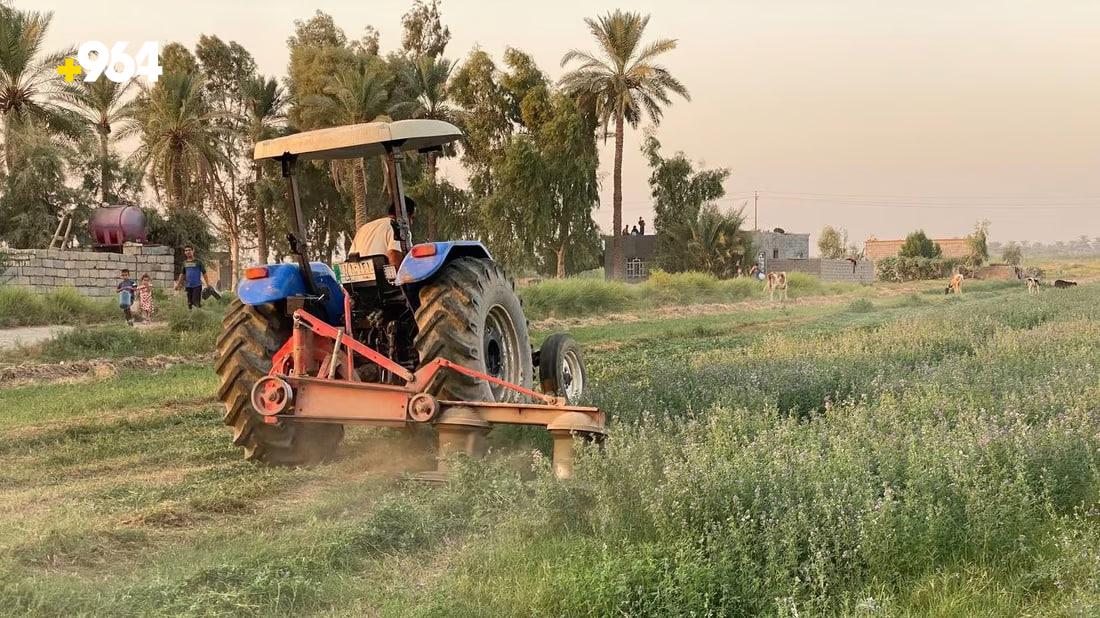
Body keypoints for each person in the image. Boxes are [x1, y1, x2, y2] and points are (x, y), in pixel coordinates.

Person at [350, 196, 416, 268]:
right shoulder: (398, 227)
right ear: (405, 215)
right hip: (383, 277)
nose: (411, 222)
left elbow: (351, 257)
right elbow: (394, 254)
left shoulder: (364, 228)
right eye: (412, 218)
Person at [174, 245, 211, 310]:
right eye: (186, 250)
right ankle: (191, 318)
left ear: (193, 251)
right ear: (185, 253)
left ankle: (199, 317)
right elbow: (182, 274)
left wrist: (207, 284)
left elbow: (204, 273)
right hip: (188, 286)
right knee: (189, 304)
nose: (187, 252)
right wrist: (178, 285)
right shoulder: (185, 263)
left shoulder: (198, 262)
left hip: (197, 286)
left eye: (189, 250)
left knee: (196, 303)